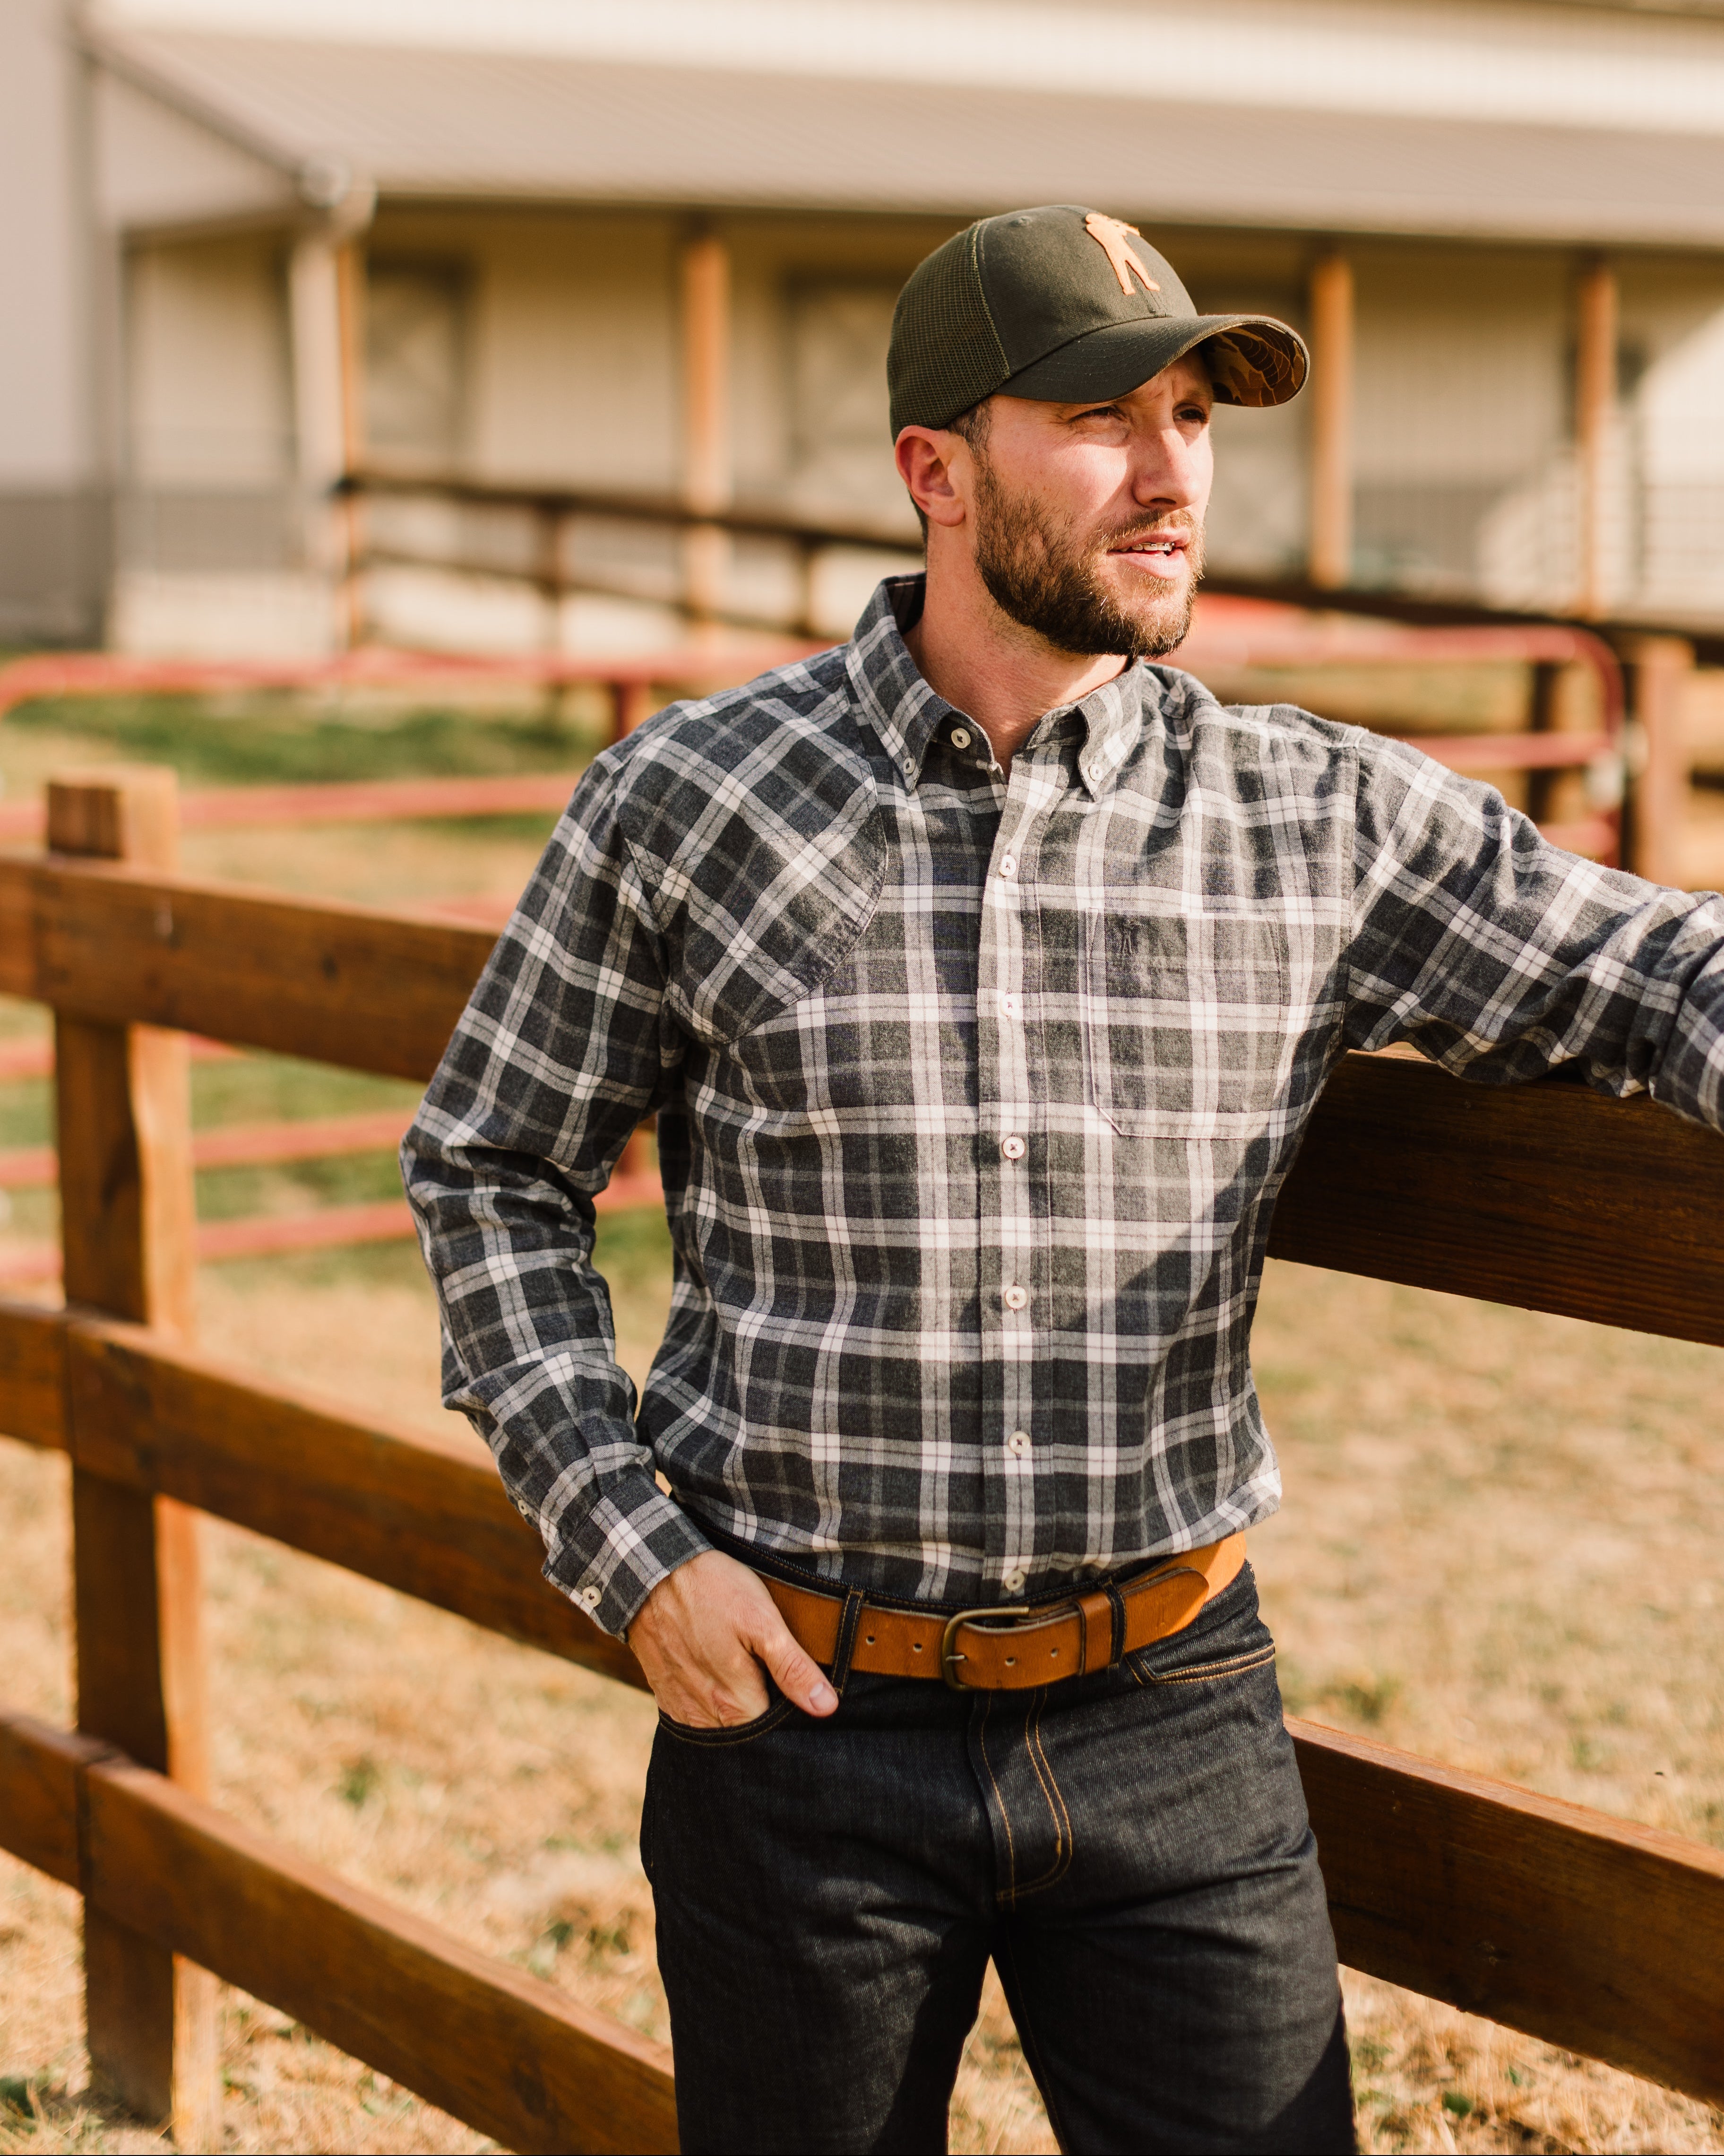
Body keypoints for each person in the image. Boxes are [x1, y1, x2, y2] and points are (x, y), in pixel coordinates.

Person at [401, 205, 1724, 2154]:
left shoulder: (1319, 814)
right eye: (1103, 417)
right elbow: (492, 1166)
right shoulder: (690, 800)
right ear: (935, 470)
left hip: (1171, 1708)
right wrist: (631, 1549)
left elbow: (1659, 964)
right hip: (795, 1720)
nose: (1174, 468)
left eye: (1194, 413)